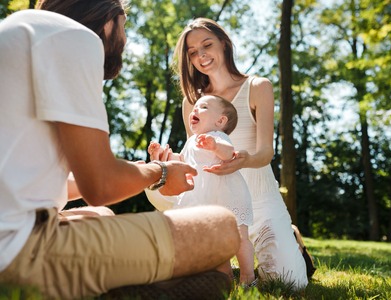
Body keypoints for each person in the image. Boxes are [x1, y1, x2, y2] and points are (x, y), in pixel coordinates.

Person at [0, 2, 241, 299]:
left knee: (100, 215)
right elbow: (101, 185)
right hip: (15, 253)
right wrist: (161, 172)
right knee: (222, 226)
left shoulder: (21, 31)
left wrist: (138, 173)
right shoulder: (76, 38)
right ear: (108, 22)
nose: (125, 40)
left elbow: (45, 184)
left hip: (14, 226)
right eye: (124, 26)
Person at [172, 17, 309, 289]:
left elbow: (265, 152)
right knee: (197, 278)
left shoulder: (258, 87)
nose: (201, 55)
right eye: (192, 51)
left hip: (260, 200)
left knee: (291, 283)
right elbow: (194, 158)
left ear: (224, 44)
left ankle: (289, 239)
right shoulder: (193, 103)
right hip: (217, 203)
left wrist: (242, 160)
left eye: (207, 45)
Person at [146, 95, 256, 286]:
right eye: (194, 107)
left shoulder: (217, 136)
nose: (194, 110)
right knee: (214, 243)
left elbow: (229, 152)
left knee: (239, 237)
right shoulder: (191, 141)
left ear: (220, 121)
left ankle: (248, 275)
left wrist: (214, 146)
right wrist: (162, 156)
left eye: (203, 107)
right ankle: (225, 278)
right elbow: (181, 162)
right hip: (203, 198)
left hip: (227, 197)